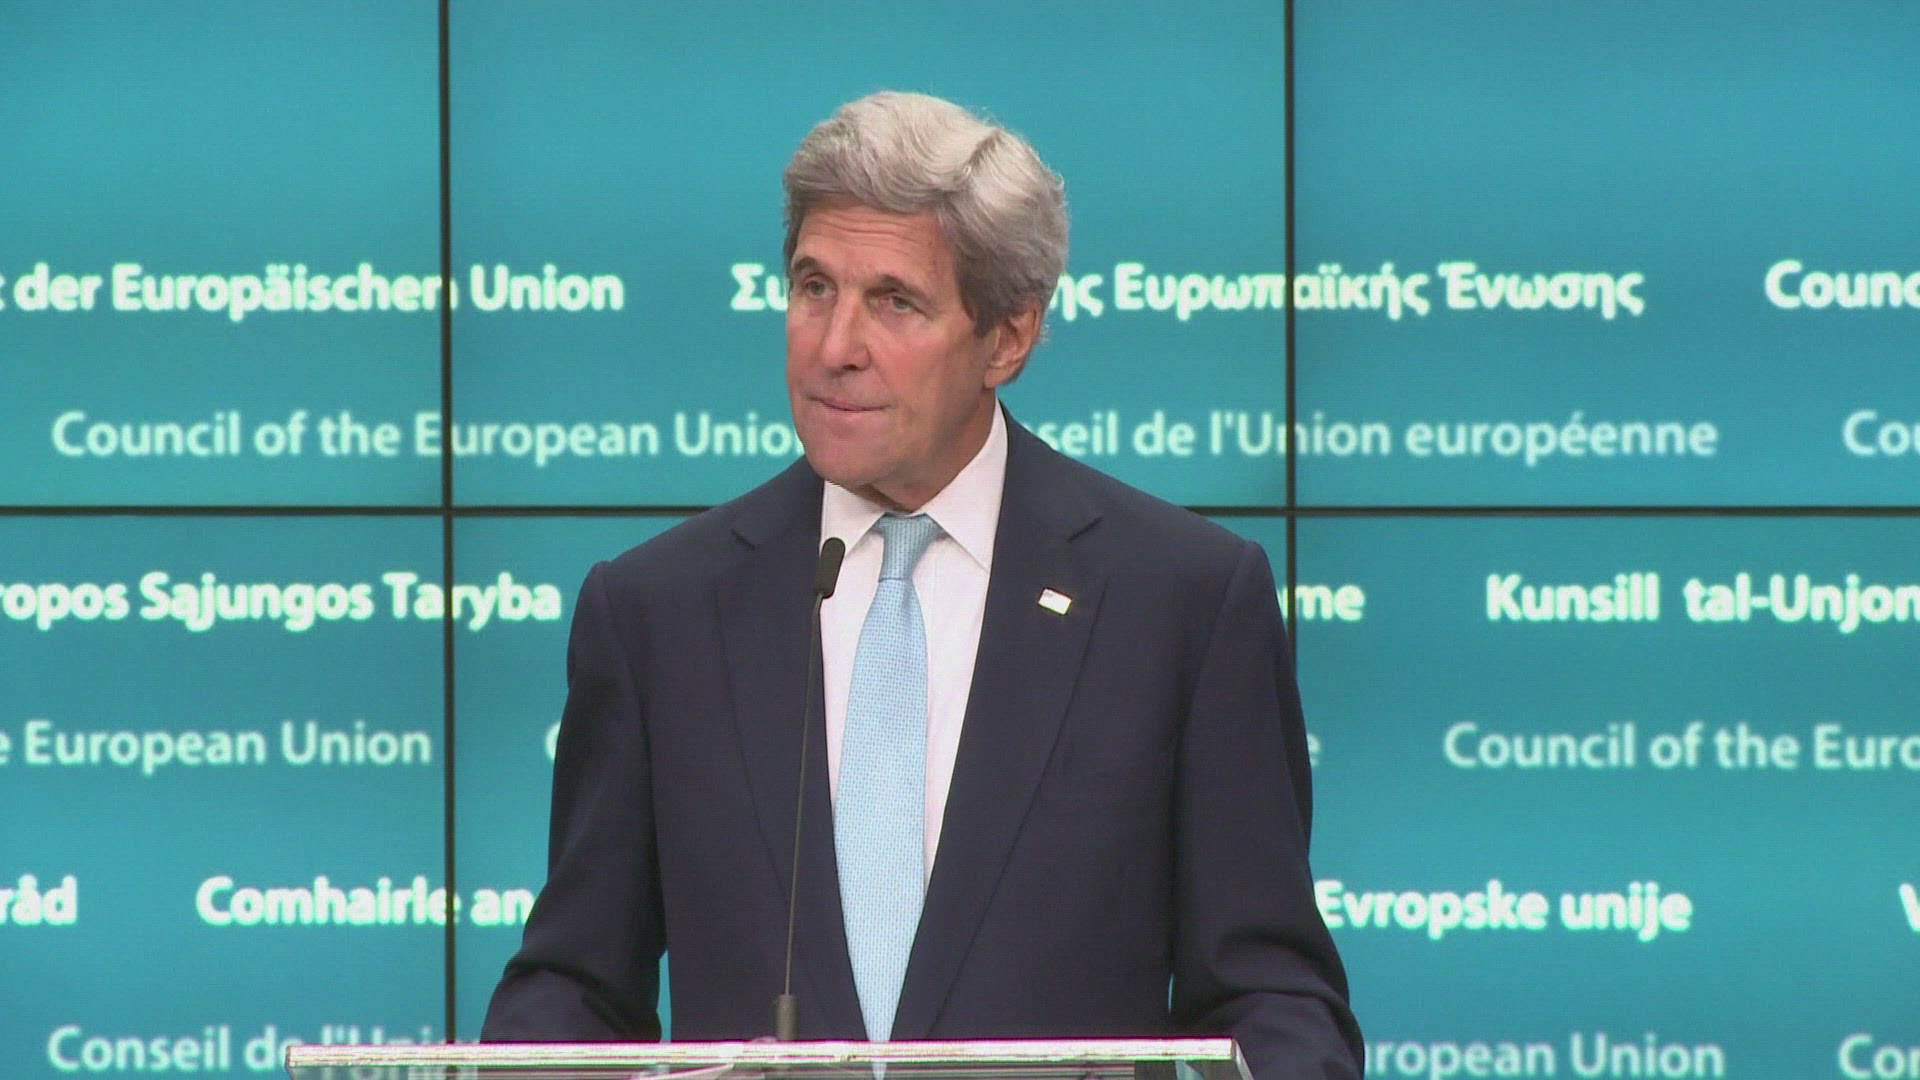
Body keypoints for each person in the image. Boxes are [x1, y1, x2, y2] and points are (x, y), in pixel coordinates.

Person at [482, 90, 1362, 1078]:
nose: (834, 347)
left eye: (894, 302)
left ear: (1008, 338)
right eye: (815, 287)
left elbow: (1269, 996)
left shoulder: (1181, 604)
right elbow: (574, 987)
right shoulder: (659, 613)